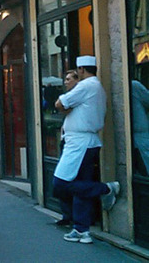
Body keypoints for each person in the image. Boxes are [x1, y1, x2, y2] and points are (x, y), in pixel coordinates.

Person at [53, 56, 120, 244]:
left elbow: (59, 103)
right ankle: (82, 230)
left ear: (81, 69)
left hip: (79, 143)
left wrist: (64, 107)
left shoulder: (85, 85)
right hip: (87, 141)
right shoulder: (97, 87)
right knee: (81, 185)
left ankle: (106, 188)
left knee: (60, 183)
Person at [54, 69, 80, 227]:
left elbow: (61, 106)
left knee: (65, 180)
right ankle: (67, 214)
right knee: (62, 179)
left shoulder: (79, 95)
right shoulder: (69, 96)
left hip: (77, 142)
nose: (65, 82)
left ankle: (72, 215)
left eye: (69, 79)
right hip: (67, 140)